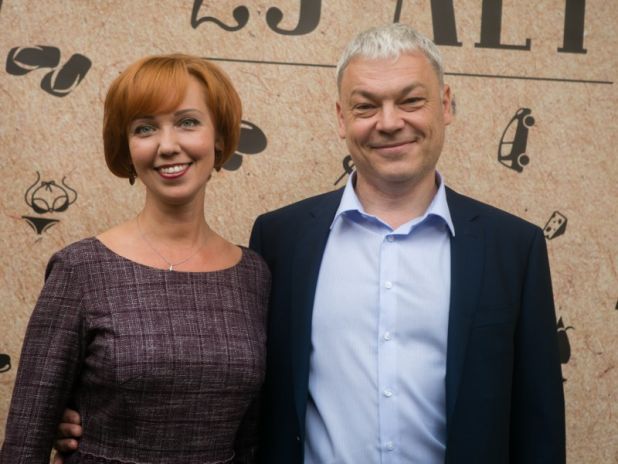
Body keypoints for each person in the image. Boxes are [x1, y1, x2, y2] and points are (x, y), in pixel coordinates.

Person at [54, 24, 566, 463]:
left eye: (411, 100)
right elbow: (232, 376)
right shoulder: (281, 239)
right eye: (366, 106)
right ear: (342, 118)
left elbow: (538, 421)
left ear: (446, 105)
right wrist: (101, 416)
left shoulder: (512, 248)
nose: (390, 122)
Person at [0, 54, 270, 464]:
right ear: (126, 148)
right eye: (145, 128)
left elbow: (254, 439)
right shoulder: (81, 269)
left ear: (219, 137)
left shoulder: (253, 275)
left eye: (188, 122)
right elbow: (25, 441)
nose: (168, 145)